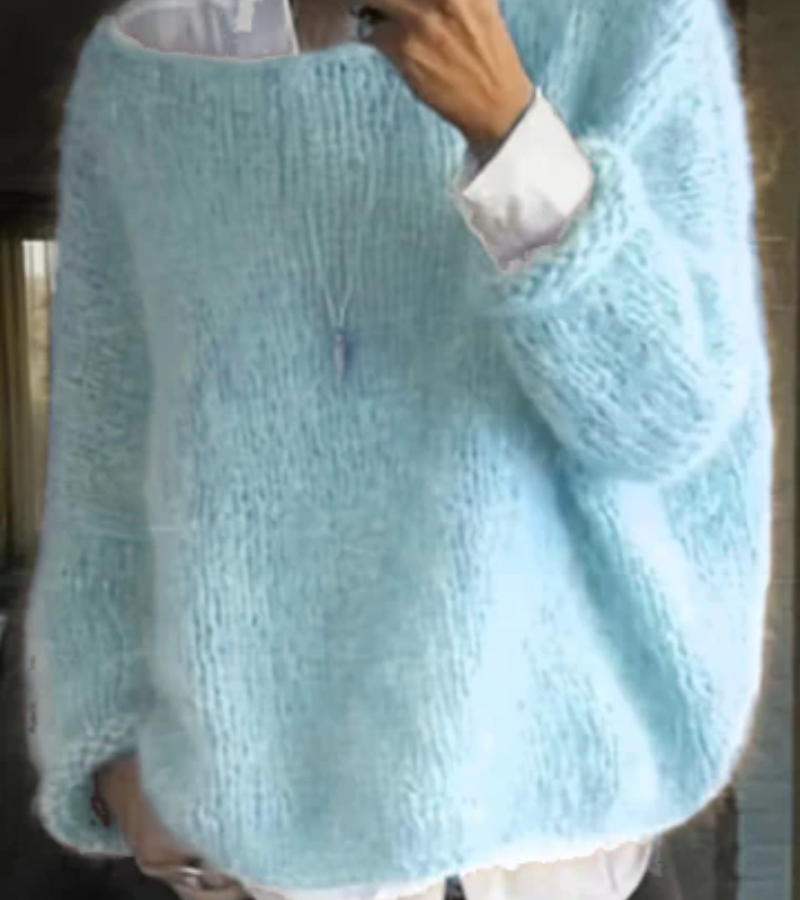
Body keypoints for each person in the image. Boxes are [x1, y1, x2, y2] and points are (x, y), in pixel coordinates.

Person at [24, 0, 770, 899]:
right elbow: (103, 457)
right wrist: (111, 753)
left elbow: (671, 419)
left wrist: (510, 127)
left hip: (549, 856)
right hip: (257, 860)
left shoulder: (634, 29)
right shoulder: (154, 65)